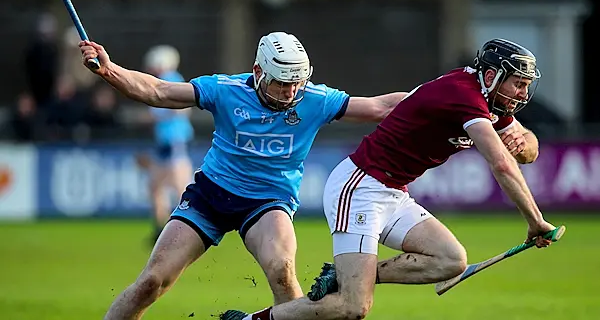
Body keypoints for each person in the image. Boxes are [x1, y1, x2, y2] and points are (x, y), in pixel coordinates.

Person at [221, 38, 558, 320]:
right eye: (518, 83)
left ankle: (344, 276)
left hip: (393, 192)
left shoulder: (491, 102)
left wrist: (524, 139)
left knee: (451, 260)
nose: (522, 93)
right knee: (353, 307)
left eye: (527, 85)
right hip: (360, 186)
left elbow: (525, 152)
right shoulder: (464, 95)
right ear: (490, 75)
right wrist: (535, 221)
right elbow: (501, 163)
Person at [79, 31, 406, 320]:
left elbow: (379, 107)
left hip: (268, 201)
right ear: (258, 72)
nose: (291, 92)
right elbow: (159, 92)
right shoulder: (225, 90)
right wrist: (109, 70)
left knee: (282, 271)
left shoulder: (315, 99)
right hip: (209, 195)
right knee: (152, 282)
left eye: (296, 83)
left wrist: (443, 94)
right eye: (281, 83)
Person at [141, 45, 195, 243]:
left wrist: (152, 117)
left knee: (180, 186)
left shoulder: (172, 79)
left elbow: (179, 110)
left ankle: (189, 228)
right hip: (167, 141)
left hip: (175, 140)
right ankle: (160, 229)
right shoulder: (169, 80)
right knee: (156, 186)